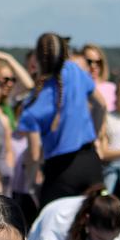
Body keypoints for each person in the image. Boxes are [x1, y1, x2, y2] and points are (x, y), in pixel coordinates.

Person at [18, 33, 102, 206]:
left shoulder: (32, 103)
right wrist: (96, 135)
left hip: (60, 171)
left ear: (37, 60)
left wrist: (32, 183)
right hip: (91, 162)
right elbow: (101, 106)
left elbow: (34, 154)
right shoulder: (75, 71)